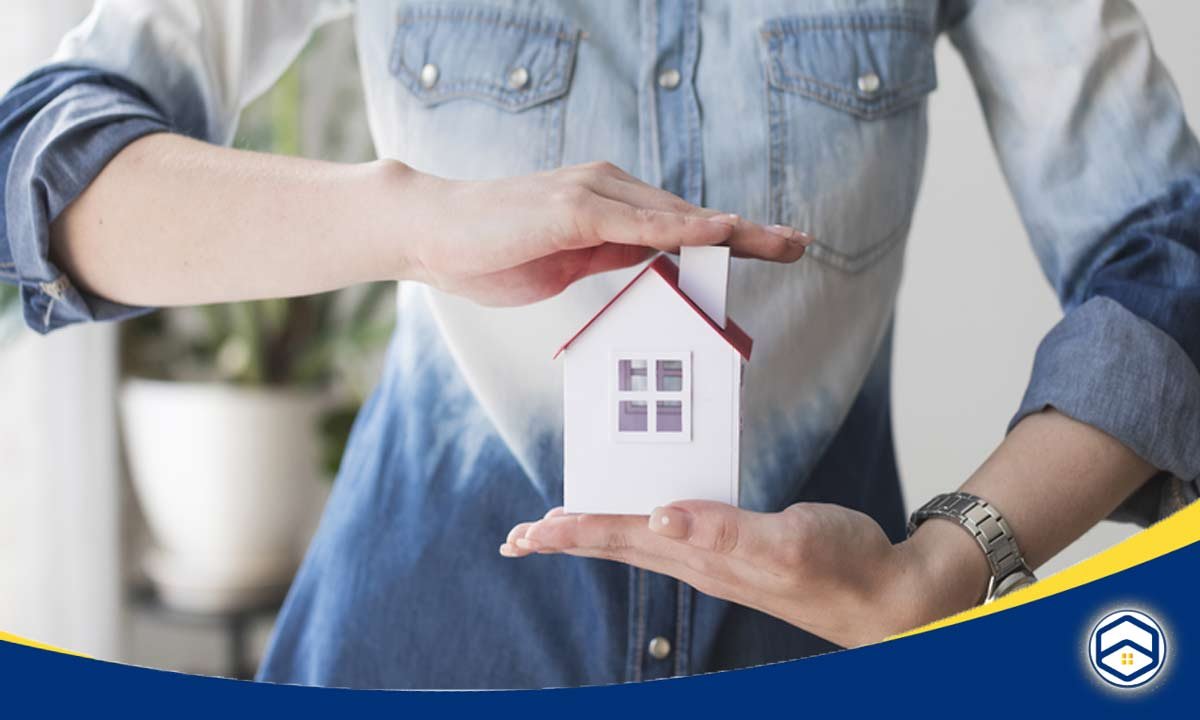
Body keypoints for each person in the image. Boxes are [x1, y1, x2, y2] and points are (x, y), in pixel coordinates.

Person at [1, 0, 1197, 689]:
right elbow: (43, 160)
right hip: (408, 654)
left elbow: (1171, 250)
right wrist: (416, 221)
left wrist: (946, 564)